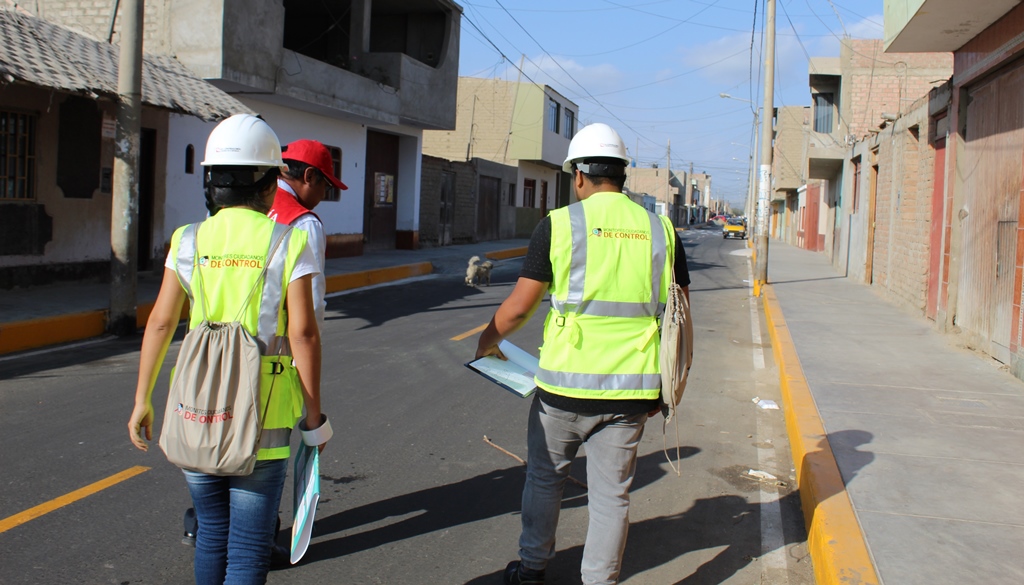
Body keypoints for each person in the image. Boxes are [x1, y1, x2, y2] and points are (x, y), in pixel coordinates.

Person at [475, 123, 690, 585]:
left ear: (578, 176)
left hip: (563, 390)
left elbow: (519, 307)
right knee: (611, 497)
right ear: (622, 174)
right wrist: (668, 388)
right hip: (633, 391)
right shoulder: (661, 230)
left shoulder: (559, 224)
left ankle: (532, 569)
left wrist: (487, 341)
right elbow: (680, 313)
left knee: (545, 479)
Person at [128, 113, 331, 585]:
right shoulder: (289, 240)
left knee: (212, 534)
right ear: (267, 185)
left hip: (196, 408)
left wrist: (143, 398)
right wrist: (314, 414)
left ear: (212, 182)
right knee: (246, 549)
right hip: (265, 415)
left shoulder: (188, 239)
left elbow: (160, 321)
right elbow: (303, 334)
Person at [270, 139, 348, 330]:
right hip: (278, 347)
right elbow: (311, 302)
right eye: (326, 186)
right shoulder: (304, 223)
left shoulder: (250, 204)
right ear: (310, 176)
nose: (323, 195)